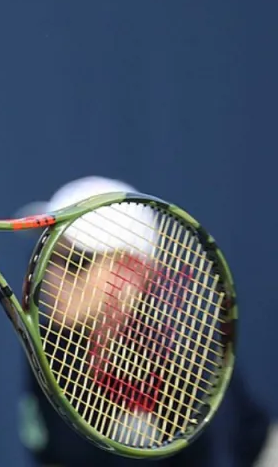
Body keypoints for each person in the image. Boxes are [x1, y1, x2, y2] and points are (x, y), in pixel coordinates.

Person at [17, 176, 271, 467]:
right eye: (46, 255)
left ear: (132, 273)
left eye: (77, 262)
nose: (50, 277)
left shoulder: (185, 356)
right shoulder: (47, 346)